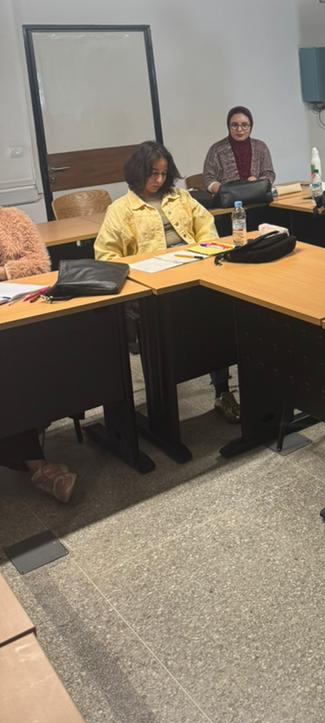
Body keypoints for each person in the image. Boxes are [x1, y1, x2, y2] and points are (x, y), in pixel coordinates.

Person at [95, 141, 240, 423]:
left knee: (218, 320)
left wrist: (204, 251)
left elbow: (206, 226)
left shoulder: (180, 197)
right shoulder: (121, 209)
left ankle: (222, 390)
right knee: (174, 332)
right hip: (155, 287)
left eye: (164, 173)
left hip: (194, 271)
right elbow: (106, 256)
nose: (159, 180)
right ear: (138, 172)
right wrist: (138, 269)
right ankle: (163, 404)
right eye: (153, 174)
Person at [0, 207, 78, 502]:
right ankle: (39, 466)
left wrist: (3, 272)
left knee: (21, 362)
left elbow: (39, 263)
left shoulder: (12, 219)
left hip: (18, 313)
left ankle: (32, 448)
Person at [203, 106, 275, 196]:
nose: (239, 129)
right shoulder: (216, 149)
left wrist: (258, 183)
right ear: (228, 126)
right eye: (234, 125)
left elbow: (269, 173)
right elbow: (208, 178)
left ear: (251, 126)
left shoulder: (260, 147)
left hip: (257, 196)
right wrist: (222, 189)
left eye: (244, 125)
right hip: (228, 199)